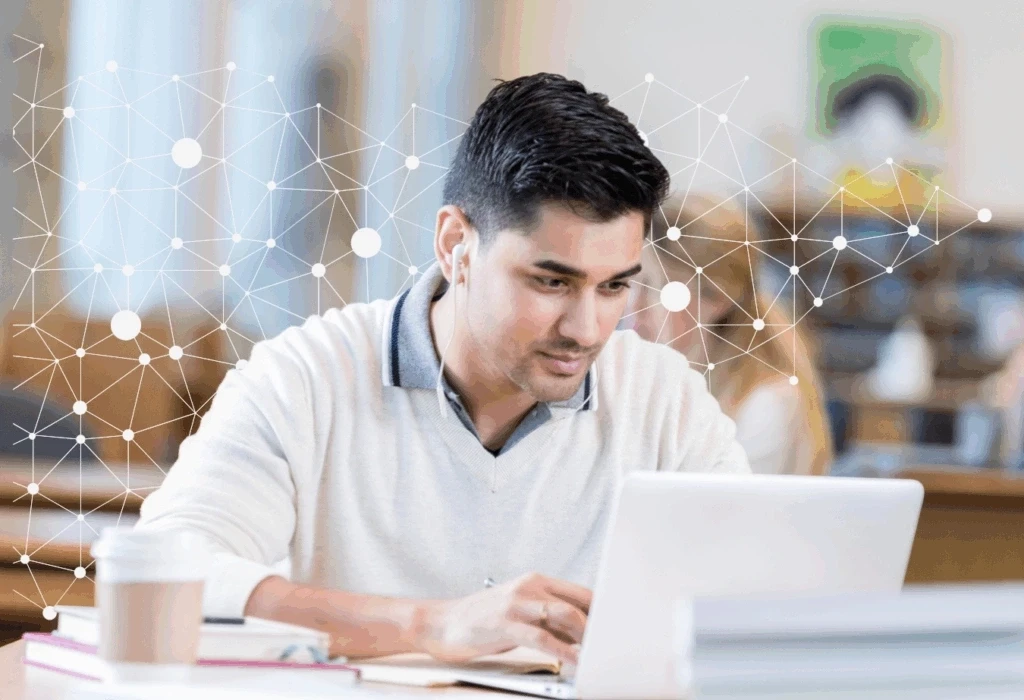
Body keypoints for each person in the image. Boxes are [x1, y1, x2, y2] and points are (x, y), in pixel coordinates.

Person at [136, 73, 750, 666]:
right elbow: (164, 576)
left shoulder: (665, 400)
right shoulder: (303, 378)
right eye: (550, 281)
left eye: (614, 286)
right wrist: (432, 624)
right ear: (456, 243)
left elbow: (752, 598)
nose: (587, 330)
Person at [628, 195, 833, 475]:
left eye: (654, 287)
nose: (634, 307)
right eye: (627, 284)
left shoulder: (765, 407)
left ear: (716, 299)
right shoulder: (657, 384)